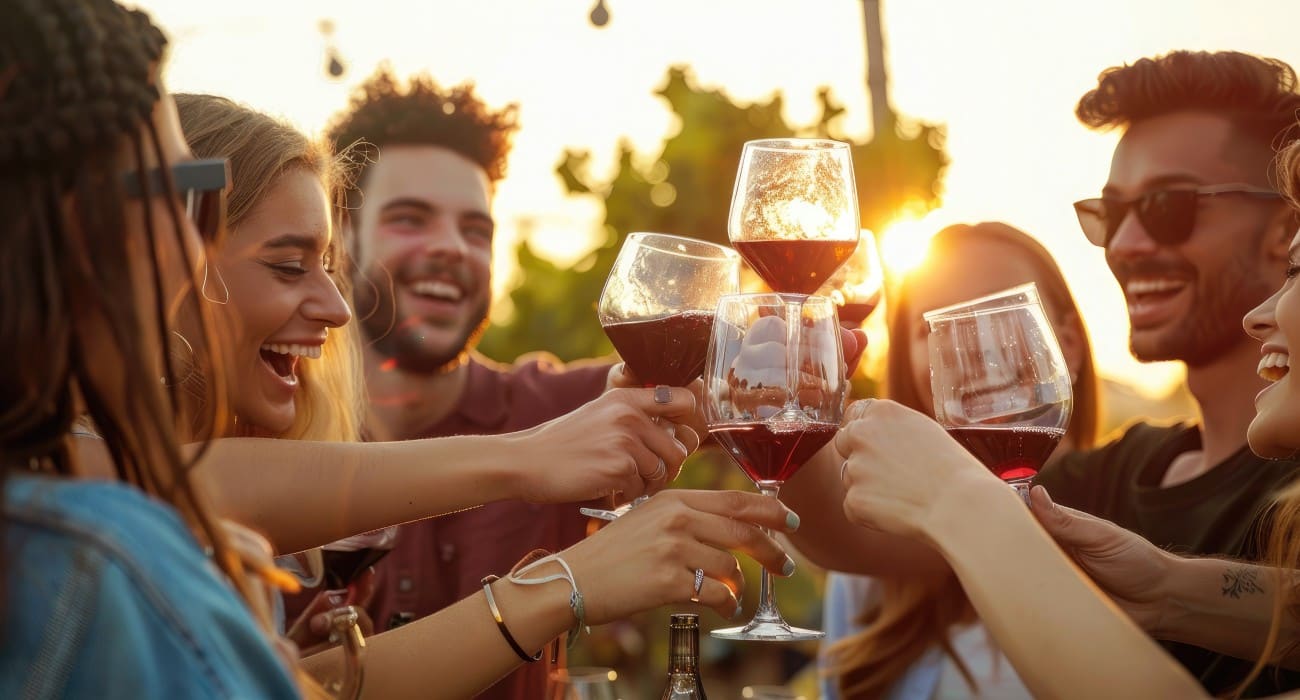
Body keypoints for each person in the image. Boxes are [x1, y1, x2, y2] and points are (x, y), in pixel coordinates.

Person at [0, 5, 803, 695]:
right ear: (79, 229)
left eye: (477, 227)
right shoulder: (95, 545)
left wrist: (795, 354)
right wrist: (538, 505)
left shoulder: (567, 403)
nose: (336, 307)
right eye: (178, 203)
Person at [785, 49, 1300, 696]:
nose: (1127, 244)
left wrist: (956, 500)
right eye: (1112, 215)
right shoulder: (1112, 475)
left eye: (1168, 205)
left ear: (1286, 228)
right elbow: (852, 536)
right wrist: (777, 394)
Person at [818, 222, 1101, 699]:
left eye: (999, 308)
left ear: (1067, 341)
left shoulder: (1137, 521)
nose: (969, 342)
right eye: (932, 324)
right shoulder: (868, 584)